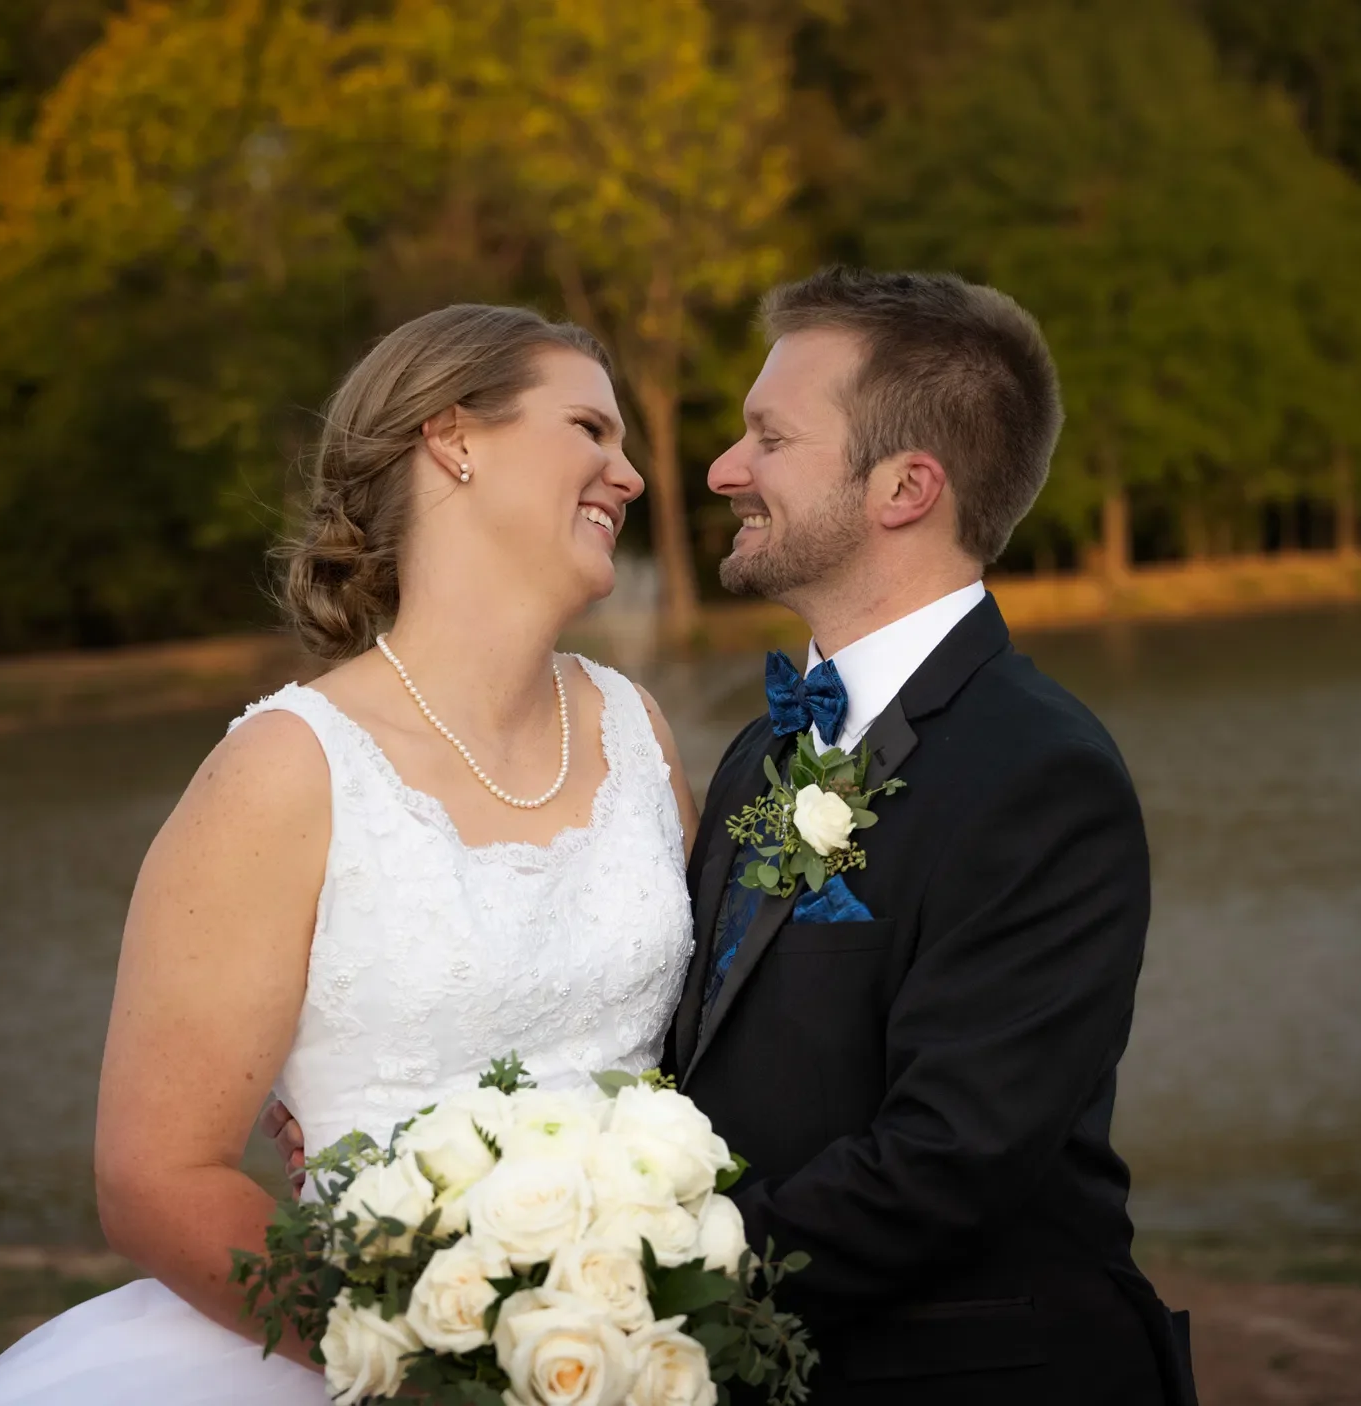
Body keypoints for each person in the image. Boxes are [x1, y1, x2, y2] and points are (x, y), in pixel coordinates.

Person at [259, 267, 1196, 1404]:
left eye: (770, 437)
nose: (718, 469)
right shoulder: (761, 750)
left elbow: (947, 1158)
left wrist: (594, 1289)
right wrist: (410, 1144)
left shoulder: (1039, 772)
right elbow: (677, 1039)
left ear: (904, 486)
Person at [0, 302, 702, 1404]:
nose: (627, 474)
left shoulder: (634, 728)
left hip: (639, 1350)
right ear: (453, 438)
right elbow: (156, 1174)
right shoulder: (287, 771)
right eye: (591, 429)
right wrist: (432, 1363)